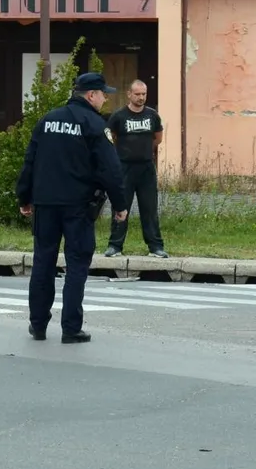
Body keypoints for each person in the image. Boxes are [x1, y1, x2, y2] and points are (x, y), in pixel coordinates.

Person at [16, 71, 128, 344]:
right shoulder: (93, 124)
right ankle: (71, 327)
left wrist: (24, 197)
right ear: (91, 95)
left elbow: (30, 160)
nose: (104, 99)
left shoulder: (47, 120)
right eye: (103, 94)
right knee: (77, 264)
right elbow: (110, 168)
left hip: (45, 204)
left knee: (43, 261)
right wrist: (120, 204)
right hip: (78, 206)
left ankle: (38, 324)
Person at [104, 79, 167, 259]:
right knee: (121, 207)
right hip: (124, 167)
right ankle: (115, 246)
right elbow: (111, 138)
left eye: (144, 94)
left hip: (146, 168)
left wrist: (143, 150)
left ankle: (155, 246)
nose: (141, 97)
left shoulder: (152, 115)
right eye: (137, 94)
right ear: (129, 94)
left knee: (149, 208)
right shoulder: (118, 116)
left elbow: (158, 138)